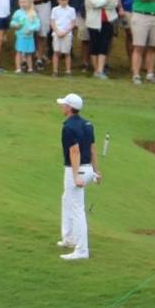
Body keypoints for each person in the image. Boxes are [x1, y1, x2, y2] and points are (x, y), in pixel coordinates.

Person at [56, 92, 98, 261]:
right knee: (67, 199)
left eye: (64, 104)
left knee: (77, 209)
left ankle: (81, 251)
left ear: (69, 108)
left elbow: (75, 151)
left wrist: (75, 176)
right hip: (87, 169)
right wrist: (96, 171)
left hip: (77, 170)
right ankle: (69, 238)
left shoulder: (68, 127)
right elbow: (92, 149)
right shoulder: (88, 124)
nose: (62, 106)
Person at [11, 0, 40, 74]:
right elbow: (12, 22)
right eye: (21, 2)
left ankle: (30, 68)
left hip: (29, 37)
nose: (22, 4)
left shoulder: (33, 13)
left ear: (29, 3)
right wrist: (16, 25)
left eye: (24, 2)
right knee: (19, 52)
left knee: (29, 53)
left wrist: (31, 29)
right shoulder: (18, 12)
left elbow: (37, 24)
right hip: (20, 36)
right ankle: (18, 69)